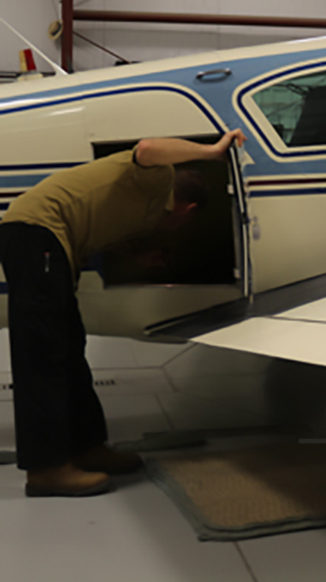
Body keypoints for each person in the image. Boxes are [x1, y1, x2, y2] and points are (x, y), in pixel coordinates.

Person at [0, 130, 246, 497]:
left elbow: (103, 224)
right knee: (44, 353)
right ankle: (46, 469)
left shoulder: (145, 212)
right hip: (35, 232)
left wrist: (136, 257)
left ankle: (87, 447)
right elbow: (147, 148)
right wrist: (213, 151)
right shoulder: (157, 179)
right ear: (188, 210)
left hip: (50, 239)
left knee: (69, 348)